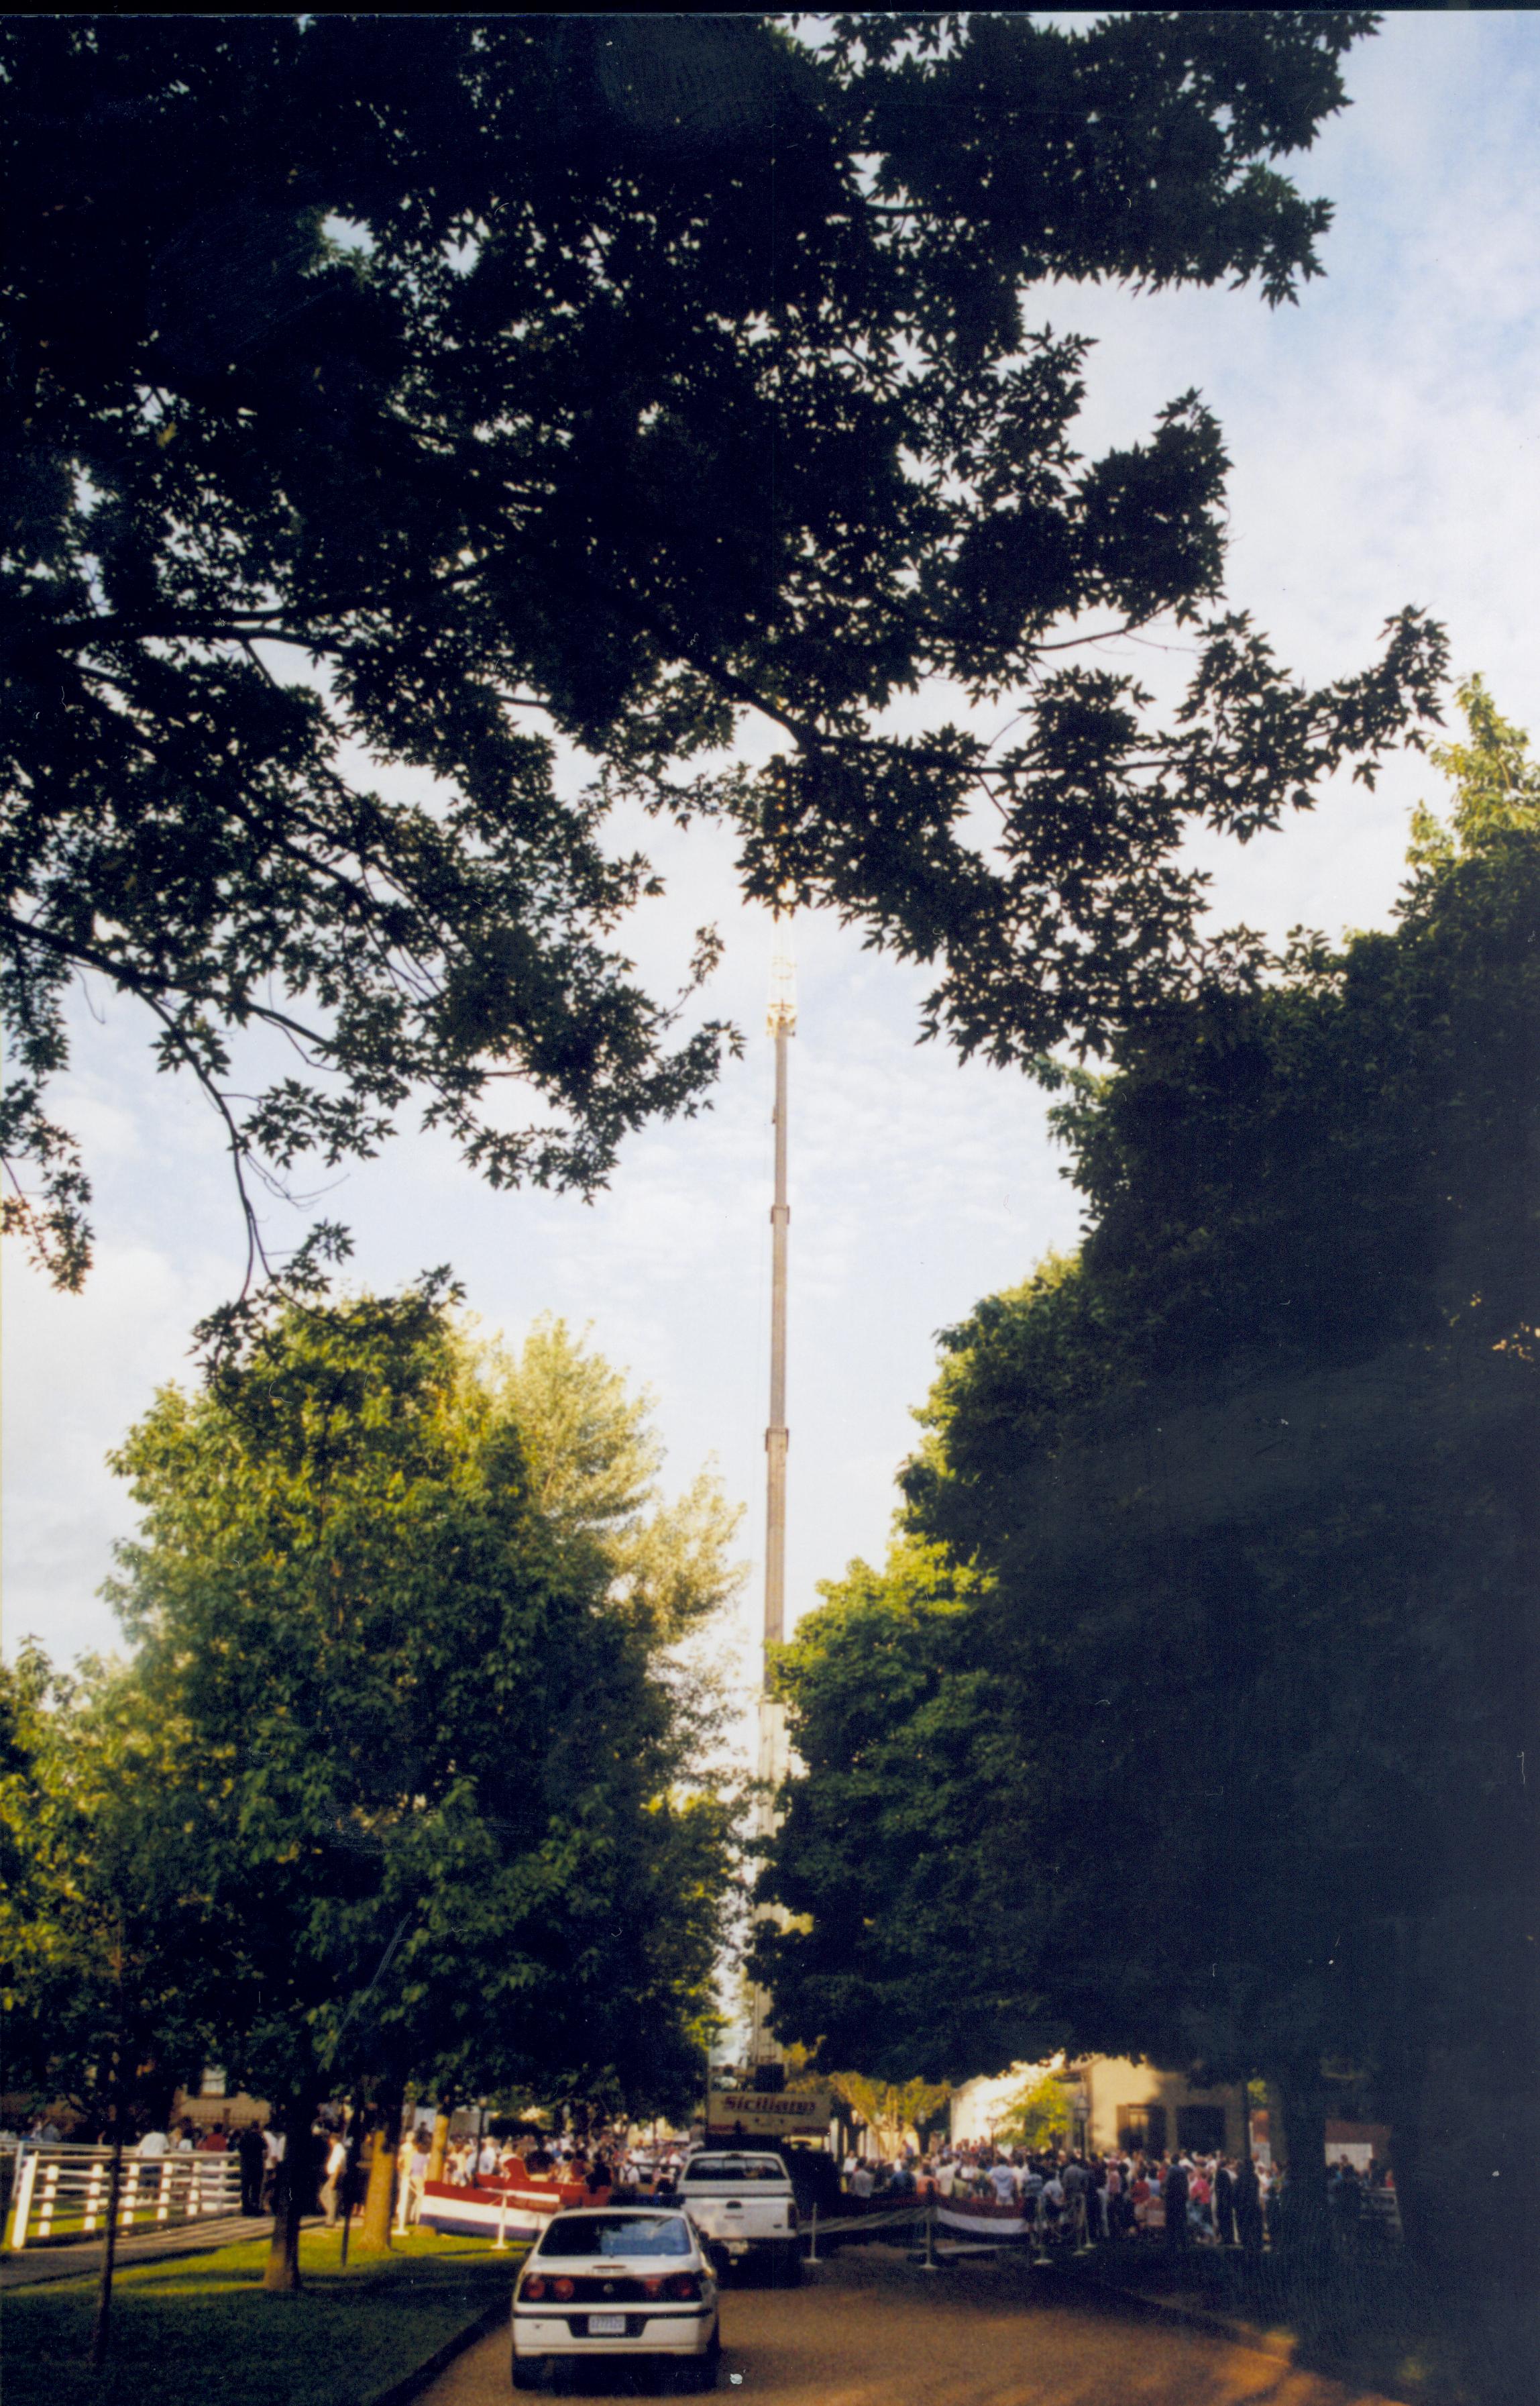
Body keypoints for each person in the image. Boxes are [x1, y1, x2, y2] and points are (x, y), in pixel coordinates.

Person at [320, 2128, 349, 2230]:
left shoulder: (338, 2149)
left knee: (330, 2197)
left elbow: (338, 2165)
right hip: (334, 2174)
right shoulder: (337, 2149)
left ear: (333, 2140)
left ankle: (331, 2220)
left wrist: (334, 2180)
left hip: (336, 2175)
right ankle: (334, 2214)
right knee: (326, 2195)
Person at [1235, 2155, 1264, 2256]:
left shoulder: (1241, 2178)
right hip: (1254, 2206)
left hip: (1244, 2208)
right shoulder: (1254, 2177)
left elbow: (1237, 2194)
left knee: (1246, 2232)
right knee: (1254, 2231)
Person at [236, 2121, 266, 2215]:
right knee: (256, 2189)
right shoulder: (259, 2138)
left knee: (245, 2189)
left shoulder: (244, 2137)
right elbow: (265, 2147)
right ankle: (255, 2207)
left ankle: (245, 2208)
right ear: (258, 2127)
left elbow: (239, 2148)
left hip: (246, 2166)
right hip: (257, 2166)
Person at [1213, 2154, 1236, 2246]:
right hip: (1227, 2201)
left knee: (1223, 2221)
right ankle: (1230, 2238)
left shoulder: (1220, 2173)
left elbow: (1218, 2188)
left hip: (1222, 2201)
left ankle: (1225, 2238)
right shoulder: (1227, 2174)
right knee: (1229, 2221)